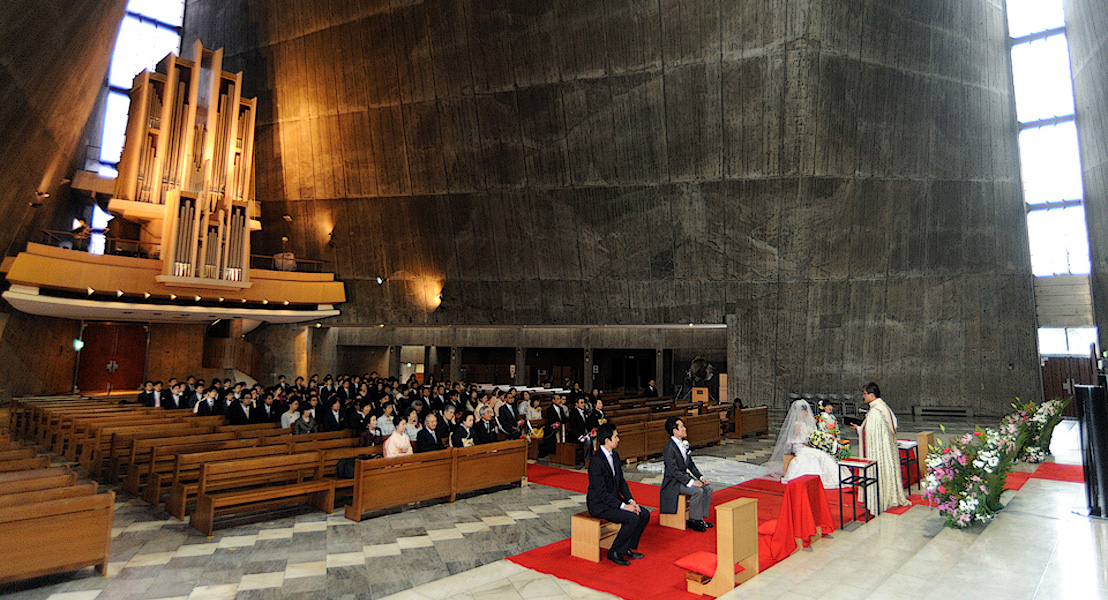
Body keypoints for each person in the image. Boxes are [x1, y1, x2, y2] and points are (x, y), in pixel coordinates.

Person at [587, 424, 650, 566]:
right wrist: (623, 506)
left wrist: (630, 500)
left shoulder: (615, 455)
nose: (618, 439)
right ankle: (614, 551)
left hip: (613, 500)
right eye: (616, 436)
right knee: (632, 518)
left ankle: (626, 547)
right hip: (599, 505)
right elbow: (601, 493)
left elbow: (621, 481)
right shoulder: (596, 461)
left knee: (644, 514)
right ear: (607, 440)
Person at [854, 382, 910, 512]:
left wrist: (859, 429)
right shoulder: (883, 407)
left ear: (872, 395)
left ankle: (879, 499)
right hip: (886, 449)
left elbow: (870, 433)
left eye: (865, 393)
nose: (863, 396)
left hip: (878, 450)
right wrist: (860, 428)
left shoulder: (876, 411)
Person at [764, 400, 842, 489]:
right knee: (811, 455)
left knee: (822, 454)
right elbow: (800, 438)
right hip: (799, 445)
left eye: (806, 412)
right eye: (804, 412)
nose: (806, 414)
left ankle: (830, 477)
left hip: (807, 445)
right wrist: (809, 443)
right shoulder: (797, 424)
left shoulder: (807, 423)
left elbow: (811, 435)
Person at [660, 417, 713, 531]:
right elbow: (674, 471)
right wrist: (691, 482)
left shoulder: (683, 444)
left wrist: (700, 477)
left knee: (708, 488)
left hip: (683, 479)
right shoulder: (669, 448)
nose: (685, 428)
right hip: (673, 482)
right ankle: (694, 521)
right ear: (675, 431)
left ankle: (701, 518)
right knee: (697, 491)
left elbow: (691, 464)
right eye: (682, 426)